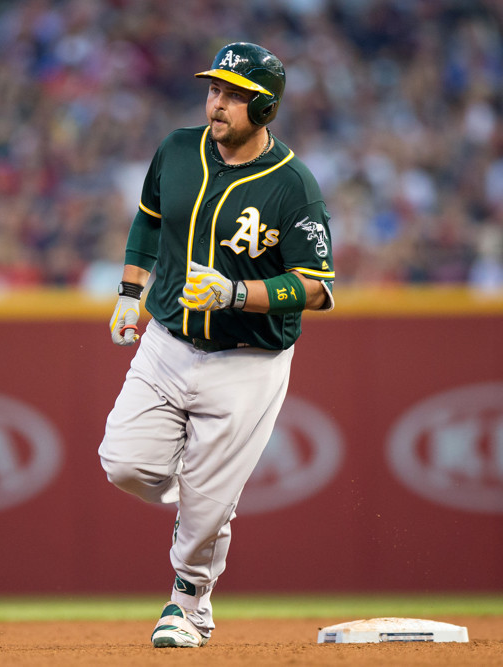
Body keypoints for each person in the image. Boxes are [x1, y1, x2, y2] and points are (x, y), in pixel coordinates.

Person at [97, 42, 335, 648]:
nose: (216, 103)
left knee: (205, 506)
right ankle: (208, 494)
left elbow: (316, 288)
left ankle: (187, 605)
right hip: (167, 340)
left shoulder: (293, 186)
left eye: (232, 94)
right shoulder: (177, 149)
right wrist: (131, 289)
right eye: (214, 89)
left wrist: (236, 294)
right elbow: (151, 216)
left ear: (265, 107)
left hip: (247, 359)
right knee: (123, 462)